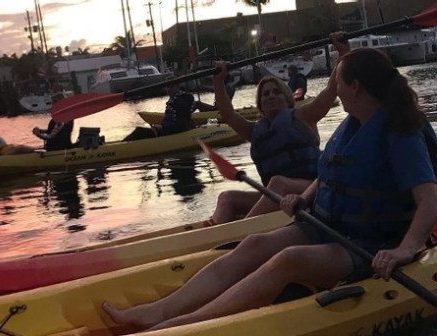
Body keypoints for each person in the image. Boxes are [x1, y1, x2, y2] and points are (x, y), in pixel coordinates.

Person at [102, 40, 437, 332]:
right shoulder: (355, 124)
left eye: (337, 81)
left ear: (356, 87)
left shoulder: (400, 131)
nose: (335, 88)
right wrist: (303, 199)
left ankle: (181, 326)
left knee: (288, 259)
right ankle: (157, 311)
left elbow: (429, 198)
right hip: (331, 226)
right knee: (255, 243)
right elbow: (332, 173)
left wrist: (405, 249)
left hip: (371, 243)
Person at [205, 35, 350, 226]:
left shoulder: (304, 116)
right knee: (227, 197)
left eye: (276, 92)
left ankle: (240, 231)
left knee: (278, 183)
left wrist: (344, 53)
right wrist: (218, 81)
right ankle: (214, 230)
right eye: (265, 94)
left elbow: (332, 89)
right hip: (276, 196)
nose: (271, 96)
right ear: (260, 104)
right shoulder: (254, 130)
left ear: (287, 97)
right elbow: (227, 113)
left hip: (313, 190)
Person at [123, 83, 195, 141]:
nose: (168, 89)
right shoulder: (175, 98)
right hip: (169, 129)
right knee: (139, 131)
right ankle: (123, 144)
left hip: (174, 131)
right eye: (167, 87)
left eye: (171, 87)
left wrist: (162, 127)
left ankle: (121, 148)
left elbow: (180, 121)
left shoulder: (183, 98)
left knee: (139, 131)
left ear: (178, 86)